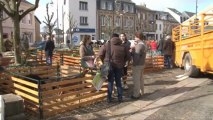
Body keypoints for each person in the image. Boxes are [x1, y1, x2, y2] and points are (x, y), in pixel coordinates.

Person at [99, 33, 130, 103]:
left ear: (111, 38)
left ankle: (109, 98)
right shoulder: (123, 46)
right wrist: (123, 61)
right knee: (118, 81)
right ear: (118, 38)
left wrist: (104, 61)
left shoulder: (107, 45)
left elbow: (100, 54)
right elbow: (128, 56)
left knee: (110, 81)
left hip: (109, 65)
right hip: (119, 66)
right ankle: (120, 97)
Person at [131, 32, 147, 99]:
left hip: (137, 65)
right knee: (141, 79)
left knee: (136, 80)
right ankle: (141, 92)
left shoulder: (139, 46)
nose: (134, 38)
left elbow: (136, 56)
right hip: (142, 64)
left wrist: (134, 64)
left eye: (135, 37)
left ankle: (136, 95)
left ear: (138, 37)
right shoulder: (143, 44)